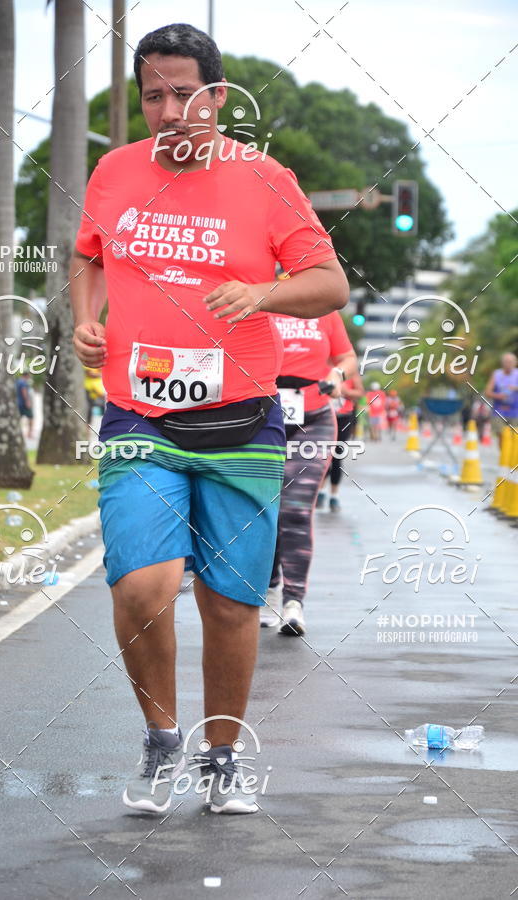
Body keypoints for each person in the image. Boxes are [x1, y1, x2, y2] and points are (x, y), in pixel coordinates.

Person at [70, 23, 349, 815]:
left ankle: (221, 757)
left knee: (230, 603)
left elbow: (328, 284)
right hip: (139, 412)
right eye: (153, 95)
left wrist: (263, 294)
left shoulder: (265, 179)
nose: (168, 110)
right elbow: (89, 252)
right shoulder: (116, 171)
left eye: (184, 93)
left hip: (244, 417)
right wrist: (87, 320)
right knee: (143, 586)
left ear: (218, 97)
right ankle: (161, 744)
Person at [262, 312, 357, 634]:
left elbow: (346, 356)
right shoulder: (260, 301)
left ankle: (293, 602)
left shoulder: (325, 311)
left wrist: (338, 372)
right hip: (261, 416)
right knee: (265, 507)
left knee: (296, 508)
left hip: (313, 420)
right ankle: (270, 587)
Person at [318, 372, 364, 512]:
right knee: (324, 456)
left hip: (344, 417)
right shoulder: (322, 367)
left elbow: (360, 393)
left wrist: (346, 391)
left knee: (337, 456)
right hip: (324, 415)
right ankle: (320, 492)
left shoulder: (350, 371)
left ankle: (334, 496)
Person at [485, 352, 518, 445]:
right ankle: (503, 456)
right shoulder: (496, 374)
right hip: (499, 411)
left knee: (514, 437)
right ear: (502, 363)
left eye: (511, 362)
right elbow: (487, 392)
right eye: (506, 362)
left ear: (515, 363)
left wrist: (515, 388)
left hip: (515, 412)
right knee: (502, 437)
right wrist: (499, 396)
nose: (508, 364)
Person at [15, 372, 34, 439]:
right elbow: (24, 392)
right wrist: (27, 402)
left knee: (18, 419)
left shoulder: (17, 381)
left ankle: (17, 434)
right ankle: (29, 434)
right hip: (24, 403)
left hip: (18, 403)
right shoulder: (23, 382)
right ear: (26, 376)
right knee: (31, 418)